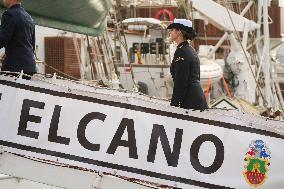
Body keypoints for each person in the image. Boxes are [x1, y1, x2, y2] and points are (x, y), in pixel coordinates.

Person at [167, 19, 208, 110]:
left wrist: (174, 106)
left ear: (179, 32)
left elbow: (181, 82)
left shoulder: (182, 52)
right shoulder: (190, 50)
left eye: (173, 30)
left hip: (190, 102)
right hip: (196, 99)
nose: (170, 32)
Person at [0, 0, 36, 77]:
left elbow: (2, 39)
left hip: (14, 66)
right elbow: (32, 44)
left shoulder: (9, 14)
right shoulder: (29, 17)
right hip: (30, 66)